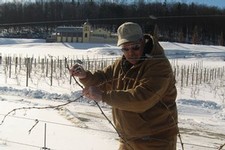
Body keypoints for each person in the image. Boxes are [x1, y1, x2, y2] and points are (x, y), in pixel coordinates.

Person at [69, 22, 178, 150]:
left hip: (155, 142)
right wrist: (84, 76)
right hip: (127, 140)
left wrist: (104, 96)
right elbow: (103, 78)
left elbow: (142, 99)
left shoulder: (158, 65)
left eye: (135, 47)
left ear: (143, 41)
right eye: (125, 49)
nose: (130, 53)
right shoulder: (121, 64)